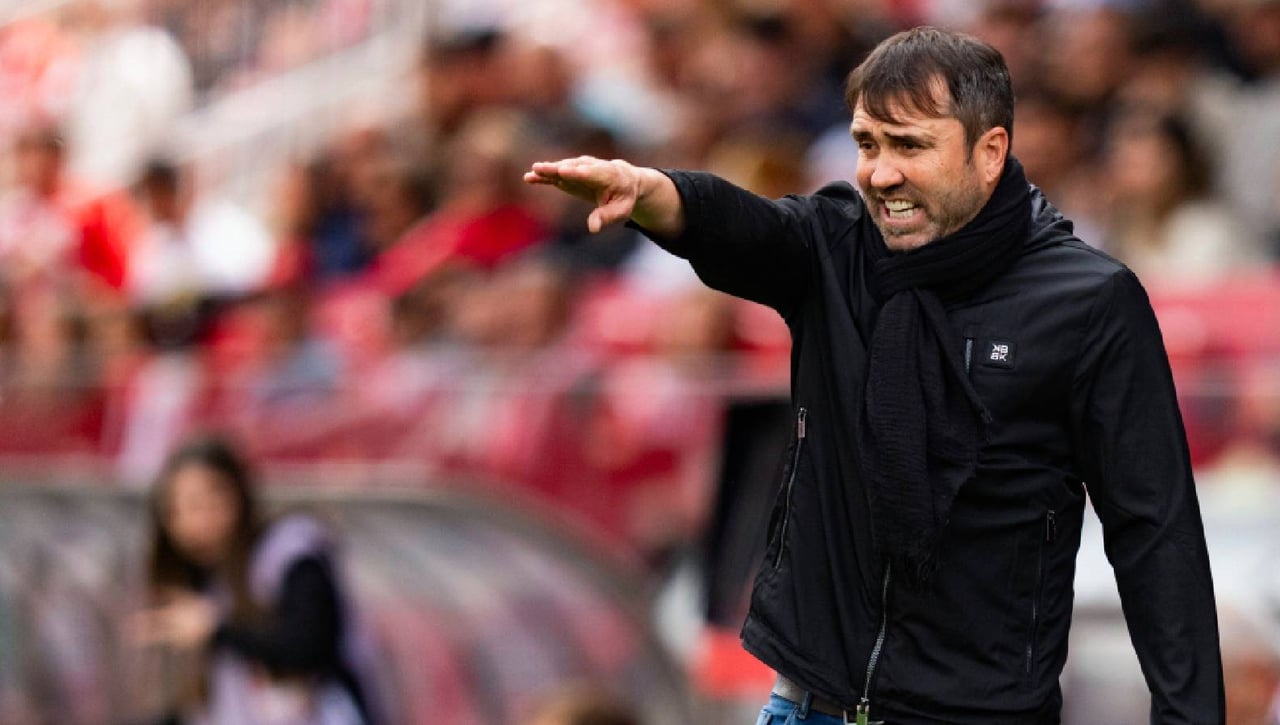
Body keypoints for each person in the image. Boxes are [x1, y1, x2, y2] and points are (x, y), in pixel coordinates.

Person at [525, 26, 1224, 725]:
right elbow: (745, 228)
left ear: (990, 151)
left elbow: (1154, 527)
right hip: (807, 705)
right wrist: (654, 192)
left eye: (909, 146)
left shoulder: (1088, 302)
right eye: (867, 144)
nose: (881, 174)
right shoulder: (835, 246)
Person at [131, 435, 384, 725]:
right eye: (181, 509)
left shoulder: (287, 551)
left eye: (207, 503)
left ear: (238, 497)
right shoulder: (203, 579)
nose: (197, 521)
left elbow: (309, 647)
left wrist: (216, 630)